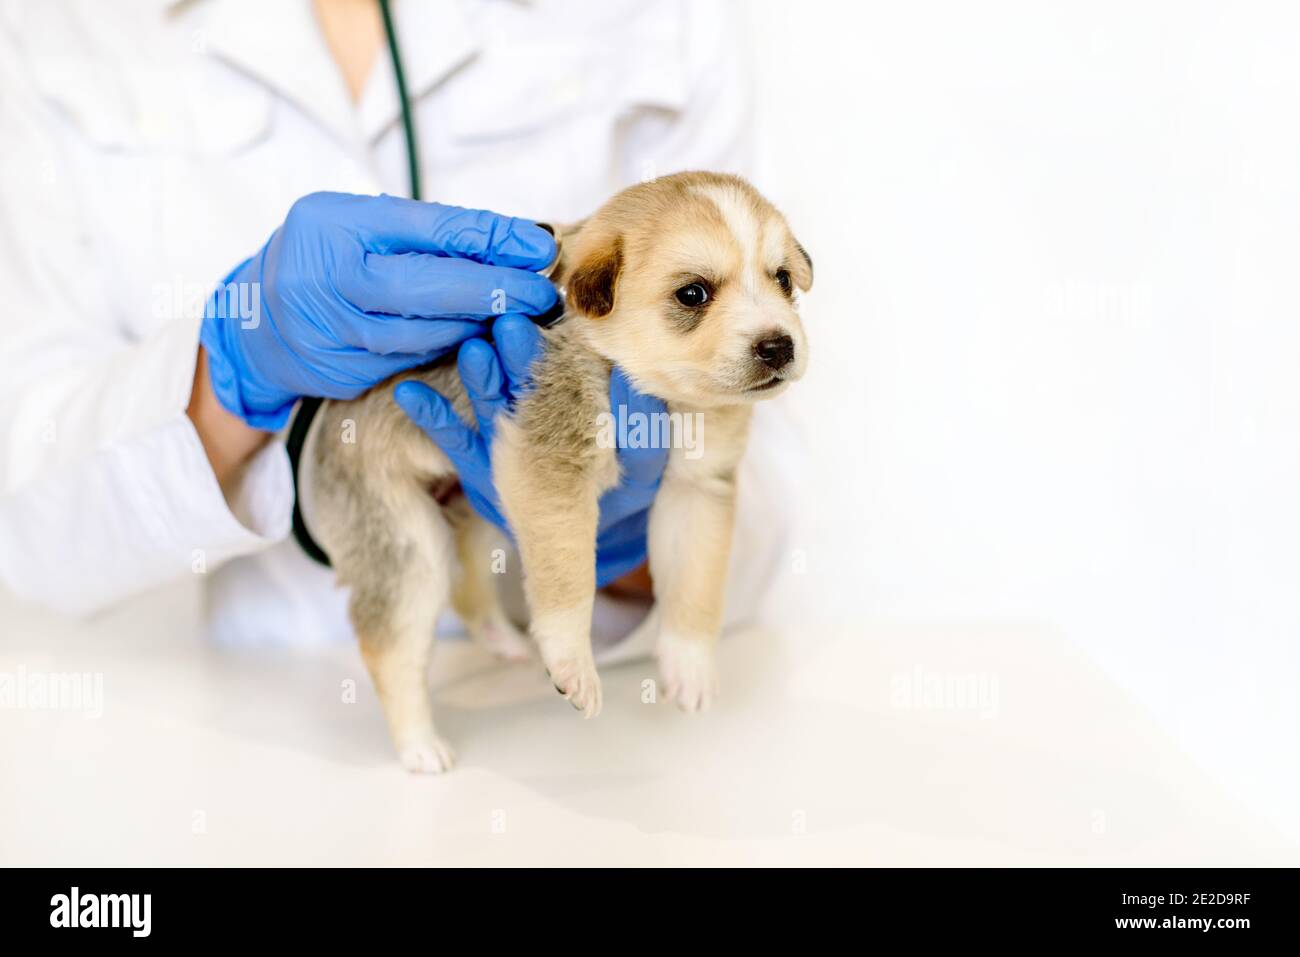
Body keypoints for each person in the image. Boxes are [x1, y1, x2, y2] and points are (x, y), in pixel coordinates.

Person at [0, 0, 800, 653]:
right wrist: (229, 377)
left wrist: (624, 536)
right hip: (259, 721)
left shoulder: (668, 16)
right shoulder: (58, 28)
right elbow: (27, 529)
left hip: (581, 723)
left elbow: (758, 477)